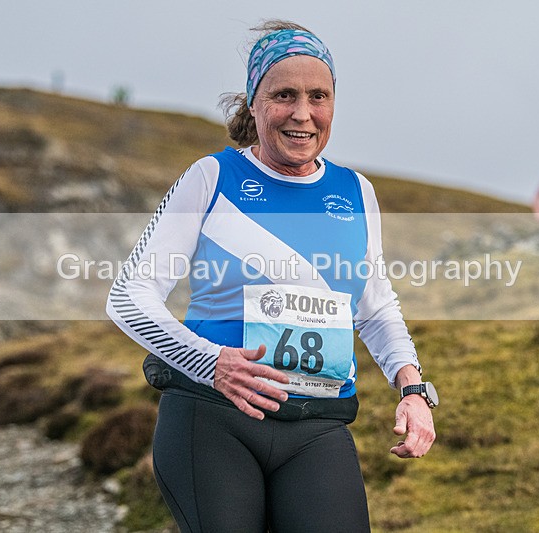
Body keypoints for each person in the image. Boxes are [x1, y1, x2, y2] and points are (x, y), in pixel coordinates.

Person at [107, 20, 436, 532]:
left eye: (318, 96)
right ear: (254, 104)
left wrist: (413, 391)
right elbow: (129, 296)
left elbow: (374, 306)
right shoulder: (212, 177)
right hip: (213, 417)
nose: (302, 113)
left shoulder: (356, 192)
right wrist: (211, 362)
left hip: (317, 425)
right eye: (283, 95)